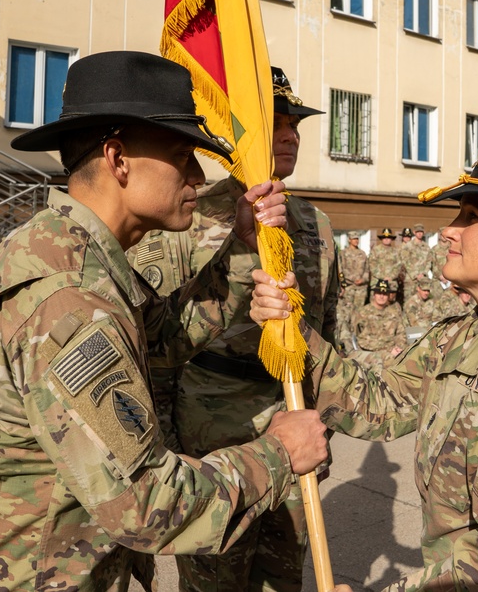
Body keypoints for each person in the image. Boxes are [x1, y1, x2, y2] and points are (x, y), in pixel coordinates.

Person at [0, 51, 330, 591]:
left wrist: (240, 249)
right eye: (183, 156)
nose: (198, 175)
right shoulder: (69, 300)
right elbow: (146, 501)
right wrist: (280, 453)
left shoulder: (65, 252)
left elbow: (161, 337)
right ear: (117, 159)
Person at [252, 133, 478, 590]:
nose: (448, 229)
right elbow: (376, 405)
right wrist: (293, 327)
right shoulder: (464, 333)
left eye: (472, 216)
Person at [124, 65, 337, 592]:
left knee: (284, 571)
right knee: (215, 575)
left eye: (295, 126)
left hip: (286, 407)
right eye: (276, 124)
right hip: (208, 426)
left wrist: (318, 416)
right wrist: (168, 445)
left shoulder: (315, 224)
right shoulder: (190, 216)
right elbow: (158, 340)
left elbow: (326, 333)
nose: (290, 135)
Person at [351, 279, 405, 355]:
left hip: (393, 352)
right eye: (379, 293)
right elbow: (361, 339)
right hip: (370, 353)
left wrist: (399, 348)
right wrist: (388, 350)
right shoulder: (363, 313)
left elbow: (401, 333)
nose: (381, 296)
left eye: (385, 294)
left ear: (388, 296)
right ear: (374, 294)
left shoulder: (394, 313)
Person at [338, 230, 369, 342]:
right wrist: (348, 280)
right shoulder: (343, 253)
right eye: (354, 239)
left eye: (357, 239)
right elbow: (340, 269)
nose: (356, 241)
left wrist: (363, 279)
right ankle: (346, 337)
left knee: (359, 312)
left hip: (361, 288)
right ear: (349, 240)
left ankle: (357, 335)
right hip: (349, 287)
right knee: (347, 312)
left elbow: (367, 270)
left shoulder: (362, 254)